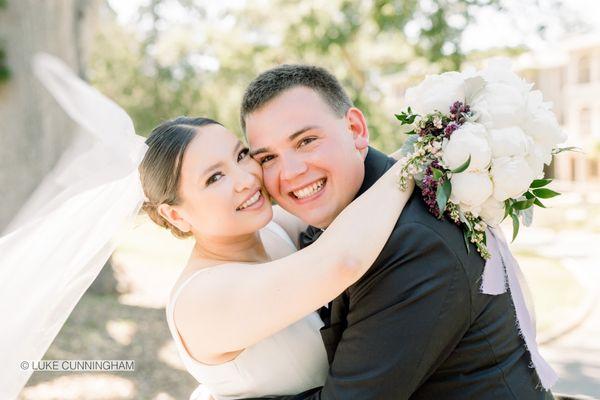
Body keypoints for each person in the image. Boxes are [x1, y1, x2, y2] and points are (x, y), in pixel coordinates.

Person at [237, 64, 555, 399]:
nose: (291, 172)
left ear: (356, 129)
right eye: (268, 158)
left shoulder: (414, 243)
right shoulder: (349, 214)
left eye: (306, 141)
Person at [138, 116, 413, 399]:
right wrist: (416, 164)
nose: (247, 179)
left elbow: (350, 203)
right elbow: (342, 261)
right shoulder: (198, 301)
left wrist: (437, 135)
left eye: (242, 155)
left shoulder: (272, 231)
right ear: (176, 215)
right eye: (215, 177)